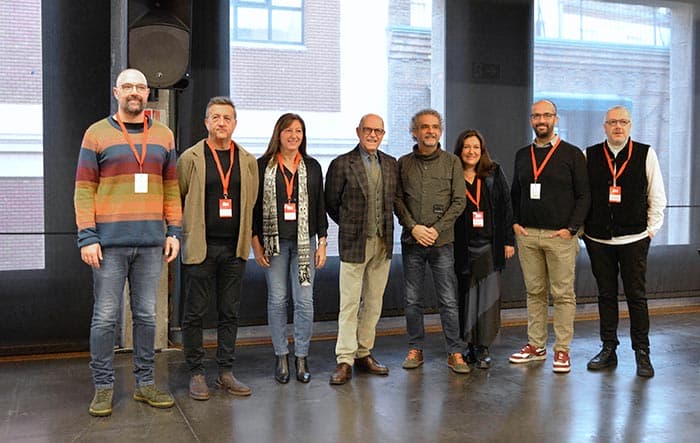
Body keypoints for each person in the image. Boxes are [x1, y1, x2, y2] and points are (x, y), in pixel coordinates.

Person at [74, 68, 182, 416]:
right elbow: (83, 190)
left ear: (147, 92)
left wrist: (174, 231)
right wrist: (87, 236)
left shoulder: (164, 135)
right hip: (108, 245)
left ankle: (145, 384)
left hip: (151, 243)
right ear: (116, 92)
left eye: (140, 86)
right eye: (128, 87)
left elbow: (170, 188)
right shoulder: (96, 134)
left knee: (147, 317)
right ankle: (103, 387)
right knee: (105, 319)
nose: (134, 92)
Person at [177, 97, 259, 400]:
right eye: (215, 117)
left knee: (229, 312)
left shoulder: (248, 160)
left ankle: (225, 371)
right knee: (195, 313)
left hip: (234, 249)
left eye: (227, 117)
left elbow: (250, 202)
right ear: (206, 123)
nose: (221, 122)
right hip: (201, 248)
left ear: (235, 124)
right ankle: (196, 372)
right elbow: (179, 197)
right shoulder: (190, 158)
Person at [583, 106, 666, 378]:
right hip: (598, 239)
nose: (618, 127)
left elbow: (657, 195)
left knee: (636, 297)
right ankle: (608, 348)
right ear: (604, 127)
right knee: (606, 296)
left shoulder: (645, 153)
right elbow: (582, 197)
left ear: (630, 126)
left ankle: (642, 352)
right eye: (612, 122)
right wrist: (584, 231)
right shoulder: (590, 155)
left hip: (634, 239)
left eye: (623, 122)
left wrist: (650, 231)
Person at [508, 99, 590, 373]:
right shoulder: (522, 154)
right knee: (535, 292)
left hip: (560, 237)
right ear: (531, 120)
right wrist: (516, 224)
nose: (541, 120)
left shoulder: (572, 154)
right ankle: (536, 346)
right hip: (528, 235)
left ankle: (562, 350)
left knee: (563, 295)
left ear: (555, 119)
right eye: (536, 116)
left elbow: (584, 195)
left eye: (546, 115)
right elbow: (515, 193)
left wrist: (571, 229)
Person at [251, 113, 328, 384]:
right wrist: (255, 243)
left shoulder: (313, 166)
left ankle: (301, 357)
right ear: (278, 134)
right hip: (274, 243)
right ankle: (281, 355)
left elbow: (319, 206)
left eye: (299, 131)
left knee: (305, 302)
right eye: (288, 131)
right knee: (277, 300)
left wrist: (323, 242)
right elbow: (253, 207)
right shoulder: (262, 166)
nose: (294, 135)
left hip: (305, 242)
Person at [325, 114, 399, 385]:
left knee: (374, 302)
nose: (372, 135)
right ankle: (344, 359)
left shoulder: (391, 164)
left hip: (383, 243)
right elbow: (332, 203)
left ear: (383, 134)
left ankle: (363, 353)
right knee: (349, 304)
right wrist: (351, 225)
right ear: (358, 131)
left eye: (378, 131)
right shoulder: (342, 164)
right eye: (368, 130)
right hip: (354, 243)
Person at [395, 108, 470, 374]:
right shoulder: (402, 163)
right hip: (412, 242)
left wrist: (436, 230)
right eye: (424, 127)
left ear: (441, 130)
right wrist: (414, 227)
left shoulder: (452, 162)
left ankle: (455, 351)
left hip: (442, 242)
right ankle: (415, 347)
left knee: (448, 300)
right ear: (414, 132)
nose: (430, 131)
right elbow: (397, 200)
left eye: (435, 127)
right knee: (413, 299)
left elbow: (459, 201)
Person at [452, 129, 514, 369]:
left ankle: (483, 347)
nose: (471, 152)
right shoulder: (453, 173)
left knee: (487, 297)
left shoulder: (493, 172)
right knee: (466, 297)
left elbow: (506, 207)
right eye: (467, 147)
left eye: (476, 147)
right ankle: (468, 345)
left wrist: (509, 240)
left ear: (482, 150)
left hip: (489, 245)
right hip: (462, 247)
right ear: (460, 150)